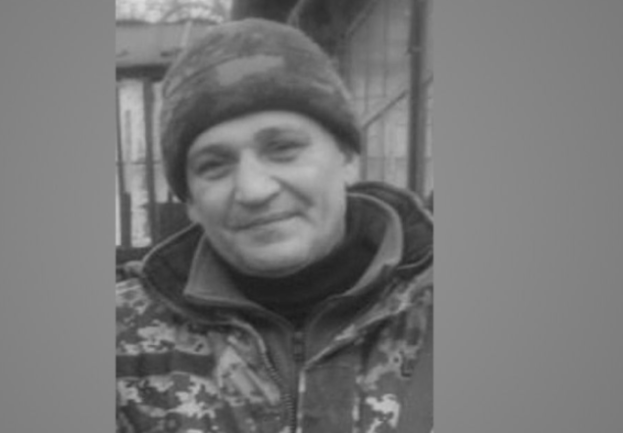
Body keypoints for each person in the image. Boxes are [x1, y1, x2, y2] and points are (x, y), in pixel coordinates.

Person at [116, 18, 433, 433]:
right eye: (214, 165)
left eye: (283, 149)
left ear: (347, 159)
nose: (253, 189)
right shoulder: (122, 342)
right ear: (190, 202)